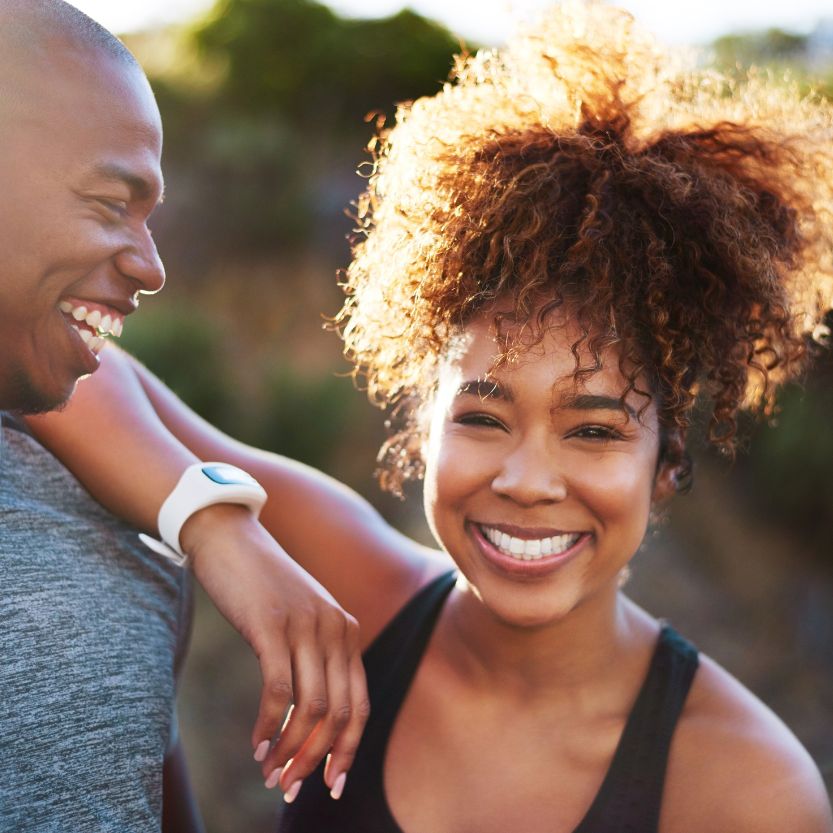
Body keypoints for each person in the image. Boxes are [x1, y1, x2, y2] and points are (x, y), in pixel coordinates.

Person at [26, 3, 833, 830]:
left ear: (665, 467)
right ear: (420, 429)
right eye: (482, 418)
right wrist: (214, 527)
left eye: (592, 429)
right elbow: (69, 368)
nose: (524, 480)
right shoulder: (357, 591)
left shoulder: (744, 789)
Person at [0, 2, 367, 830]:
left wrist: (203, 518)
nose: (152, 266)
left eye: (150, 215)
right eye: (107, 203)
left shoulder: (117, 533)